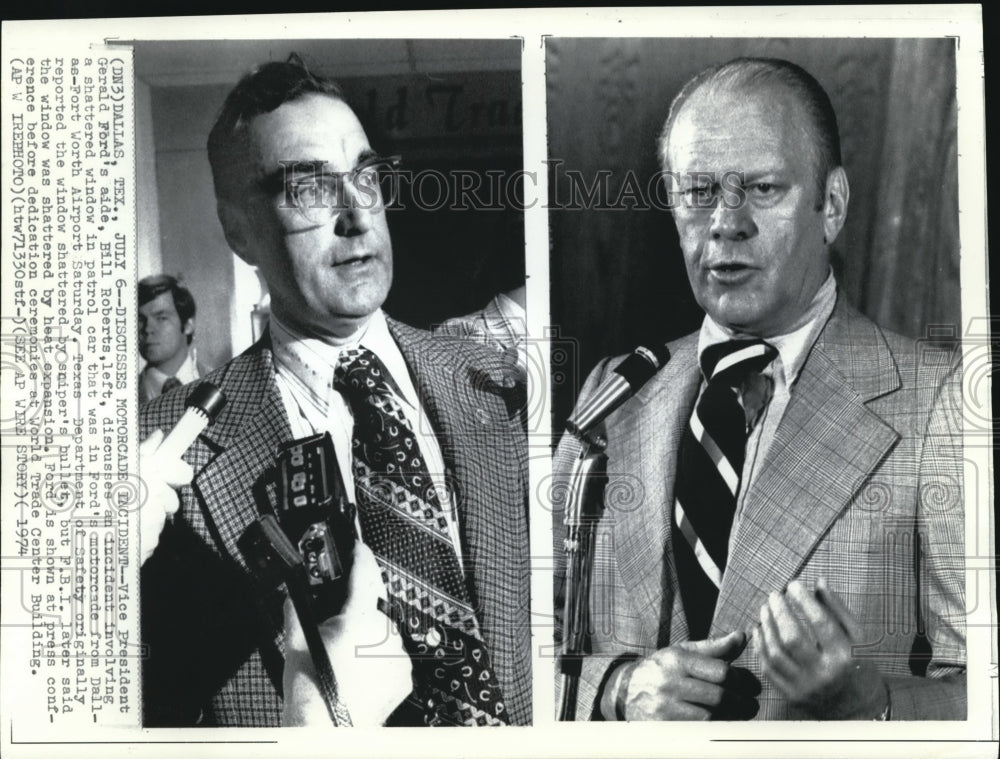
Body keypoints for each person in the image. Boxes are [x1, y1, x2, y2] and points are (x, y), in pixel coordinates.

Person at [553, 57, 965, 721]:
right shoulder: (615, 394)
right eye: (698, 191)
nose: (725, 222)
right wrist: (616, 686)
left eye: (764, 188)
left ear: (831, 204)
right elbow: (518, 649)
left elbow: (985, 696)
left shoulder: (940, 401)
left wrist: (869, 699)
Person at [138, 56, 531, 727]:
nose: (357, 216)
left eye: (367, 178)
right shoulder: (162, 448)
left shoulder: (490, 377)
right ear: (238, 229)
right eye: (311, 189)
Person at [138, 274, 204, 404]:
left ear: (188, 325)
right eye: (140, 320)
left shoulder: (225, 384)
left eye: (161, 318)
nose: (147, 329)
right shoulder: (117, 398)